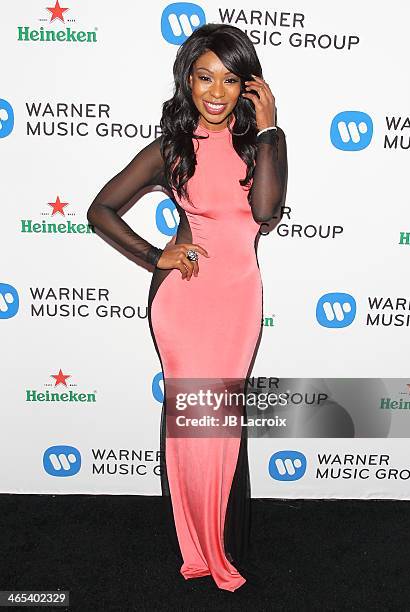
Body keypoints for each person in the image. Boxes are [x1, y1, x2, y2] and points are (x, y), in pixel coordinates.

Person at [87, 23, 288, 593]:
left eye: (229, 79)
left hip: (238, 299)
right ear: (187, 80)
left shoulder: (262, 143)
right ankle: (197, 545)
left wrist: (271, 128)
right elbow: (101, 210)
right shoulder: (172, 149)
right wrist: (157, 257)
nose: (216, 92)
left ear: (249, 84)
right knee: (192, 420)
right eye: (204, 77)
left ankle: (223, 540)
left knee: (221, 420)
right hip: (185, 301)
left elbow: (267, 213)